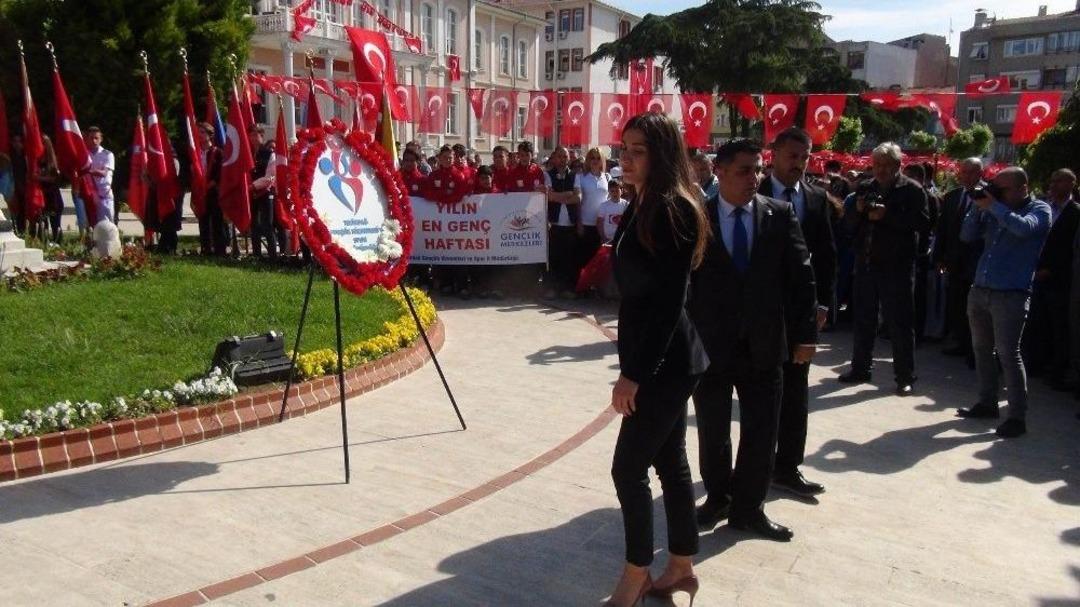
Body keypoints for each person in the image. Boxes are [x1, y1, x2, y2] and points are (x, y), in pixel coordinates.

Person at [606, 112, 710, 607]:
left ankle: (635, 574)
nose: (625, 157)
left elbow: (669, 303)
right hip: (658, 354)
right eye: (623, 147)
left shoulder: (673, 209)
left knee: (628, 469)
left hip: (665, 362)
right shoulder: (642, 201)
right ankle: (682, 566)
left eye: (638, 149)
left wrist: (633, 375)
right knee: (670, 460)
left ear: (662, 154)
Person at [690, 138, 817, 542]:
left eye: (757, 169)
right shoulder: (697, 217)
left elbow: (801, 279)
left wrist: (805, 337)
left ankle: (749, 509)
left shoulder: (778, 215)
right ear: (721, 171)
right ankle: (718, 497)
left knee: (762, 431)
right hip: (712, 346)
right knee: (713, 429)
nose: (754, 178)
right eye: (744, 170)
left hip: (764, 345)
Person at [757, 127, 835, 499]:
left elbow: (827, 257)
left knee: (796, 393)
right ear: (774, 155)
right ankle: (753, 466)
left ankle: (788, 466)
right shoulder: (751, 193)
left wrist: (822, 303)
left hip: (801, 313)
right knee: (760, 391)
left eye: (804, 158)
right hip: (762, 313)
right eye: (792, 156)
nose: (799, 165)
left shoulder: (817, 200)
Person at [956, 167, 1051, 438]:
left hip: (1011, 293)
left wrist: (994, 207)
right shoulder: (994, 207)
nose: (997, 193)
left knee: (1009, 354)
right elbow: (966, 235)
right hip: (981, 289)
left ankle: (1017, 417)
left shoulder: (1039, 209)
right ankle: (987, 403)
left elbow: (1024, 230)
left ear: (1023, 187)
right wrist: (978, 207)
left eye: (1003, 188)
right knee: (981, 349)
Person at [838, 142, 929, 396]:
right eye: (877, 164)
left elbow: (923, 224)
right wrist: (856, 212)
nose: (881, 170)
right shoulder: (866, 187)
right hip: (866, 262)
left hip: (896, 266)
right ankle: (860, 368)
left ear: (898, 166)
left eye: (887, 165)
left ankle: (904, 377)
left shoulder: (912, 190)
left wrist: (887, 215)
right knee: (863, 319)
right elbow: (849, 225)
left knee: (899, 323)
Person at [1027, 168, 1079, 388]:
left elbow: (1070, 249)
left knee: (1059, 326)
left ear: (1071, 184)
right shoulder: (1046, 208)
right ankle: (1039, 363)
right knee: (1039, 322)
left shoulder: (1075, 212)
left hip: (1059, 278)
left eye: (1059, 181)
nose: (1054, 184)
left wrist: (1051, 270)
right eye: (1053, 180)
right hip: (1037, 273)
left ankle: (1059, 370)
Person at [934, 158, 985, 364]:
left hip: (979, 262)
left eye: (972, 172)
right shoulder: (953, 197)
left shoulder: (989, 196)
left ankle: (978, 351)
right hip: (955, 261)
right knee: (957, 303)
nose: (967, 176)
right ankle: (962, 342)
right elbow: (943, 229)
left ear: (980, 173)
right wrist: (939, 256)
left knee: (978, 309)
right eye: (964, 172)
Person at [543, 146, 581, 298]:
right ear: (554, 158)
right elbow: (549, 196)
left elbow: (578, 198)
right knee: (554, 258)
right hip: (554, 223)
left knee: (569, 258)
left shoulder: (574, 175)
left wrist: (558, 196)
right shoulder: (548, 174)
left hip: (570, 224)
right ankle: (552, 288)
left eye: (565, 157)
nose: (562, 159)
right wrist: (567, 194)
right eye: (559, 156)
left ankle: (568, 289)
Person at [576, 147, 610, 282]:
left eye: (598, 158)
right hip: (585, 222)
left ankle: (595, 287)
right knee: (583, 256)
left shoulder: (607, 177)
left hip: (601, 225)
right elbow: (578, 202)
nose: (595, 161)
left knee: (598, 258)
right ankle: (581, 286)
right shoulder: (581, 177)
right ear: (588, 160)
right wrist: (579, 222)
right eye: (592, 158)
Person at [196, 122, 228, 256]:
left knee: (217, 221)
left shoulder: (217, 152)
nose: (200, 135)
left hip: (213, 191)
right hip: (201, 192)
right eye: (199, 132)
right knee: (203, 220)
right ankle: (206, 248)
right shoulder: (196, 152)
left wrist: (212, 183)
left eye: (203, 132)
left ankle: (220, 250)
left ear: (210, 135)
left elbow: (221, 172)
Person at [248, 124, 278, 259]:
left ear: (261, 135)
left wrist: (253, 186)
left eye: (256, 135)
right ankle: (256, 255)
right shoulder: (248, 153)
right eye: (251, 135)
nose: (253, 138)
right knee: (253, 225)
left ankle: (273, 257)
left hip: (265, 193)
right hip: (252, 194)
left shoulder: (269, 154)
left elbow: (270, 177)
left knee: (267, 225)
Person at [84, 127, 115, 227]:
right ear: (87, 139)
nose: (94, 141)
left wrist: (88, 171)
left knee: (107, 226)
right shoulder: (84, 154)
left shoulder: (107, 154)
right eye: (91, 138)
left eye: (96, 138)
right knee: (90, 225)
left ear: (101, 139)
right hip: (88, 195)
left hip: (103, 195)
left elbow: (104, 173)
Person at [35, 135, 64, 243]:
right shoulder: (36, 160)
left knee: (56, 226)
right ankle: (44, 245)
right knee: (43, 226)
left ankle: (59, 247)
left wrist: (38, 177)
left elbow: (54, 178)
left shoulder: (52, 160)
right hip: (42, 198)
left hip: (53, 198)